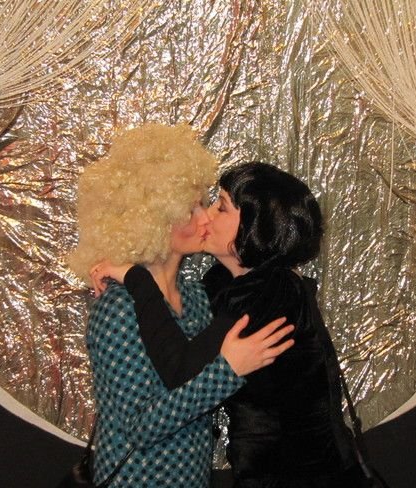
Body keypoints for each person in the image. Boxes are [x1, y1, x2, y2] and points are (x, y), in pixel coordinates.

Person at [92, 162, 366, 487]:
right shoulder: (217, 286)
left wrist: (137, 279)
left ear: (255, 226)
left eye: (220, 206)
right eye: (196, 208)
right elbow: (147, 414)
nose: (207, 216)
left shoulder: (270, 292)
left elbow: (181, 370)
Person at [69, 126, 294, 487]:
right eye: (191, 210)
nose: (206, 218)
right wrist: (229, 372)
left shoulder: (196, 298)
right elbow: (140, 428)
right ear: (153, 222)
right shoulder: (118, 310)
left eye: (205, 204)